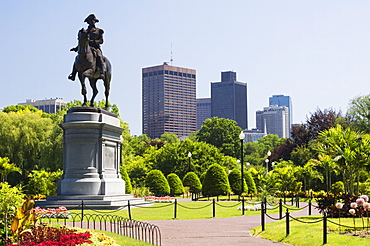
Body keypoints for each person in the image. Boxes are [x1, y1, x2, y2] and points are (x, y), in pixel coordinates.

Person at [68, 14, 106, 81]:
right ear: (88, 22)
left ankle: (102, 72)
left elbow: (101, 41)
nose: (92, 22)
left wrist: (93, 41)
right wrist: (76, 48)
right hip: (87, 47)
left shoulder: (99, 31)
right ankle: (73, 74)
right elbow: (82, 42)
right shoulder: (85, 32)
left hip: (96, 47)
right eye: (90, 21)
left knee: (99, 56)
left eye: (93, 20)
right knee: (77, 58)